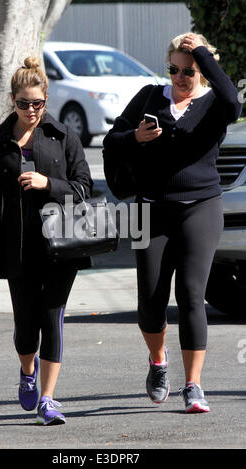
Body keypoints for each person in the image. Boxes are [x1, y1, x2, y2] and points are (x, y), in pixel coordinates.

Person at [103, 32, 241, 413]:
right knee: (150, 299)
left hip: (201, 207)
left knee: (192, 296)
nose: (180, 78)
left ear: (203, 72)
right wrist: (135, 137)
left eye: (189, 71)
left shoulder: (215, 102)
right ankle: (158, 360)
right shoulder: (150, 96)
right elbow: (112, 141)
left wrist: (200, 50)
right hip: (150, 208)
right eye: (174, 70)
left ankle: (194, 385)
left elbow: (233, 99)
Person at [0, 56, 93, 425]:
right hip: (18, 251)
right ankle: (27, 371)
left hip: (61, 249)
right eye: (23, 103)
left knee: (52, 318)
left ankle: (48, 399)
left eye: (37, 103)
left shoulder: (63, 136)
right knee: (26, 327)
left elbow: (84, 187)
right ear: (12, 100)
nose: (31, 110)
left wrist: (49, 184)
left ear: (47, 100)